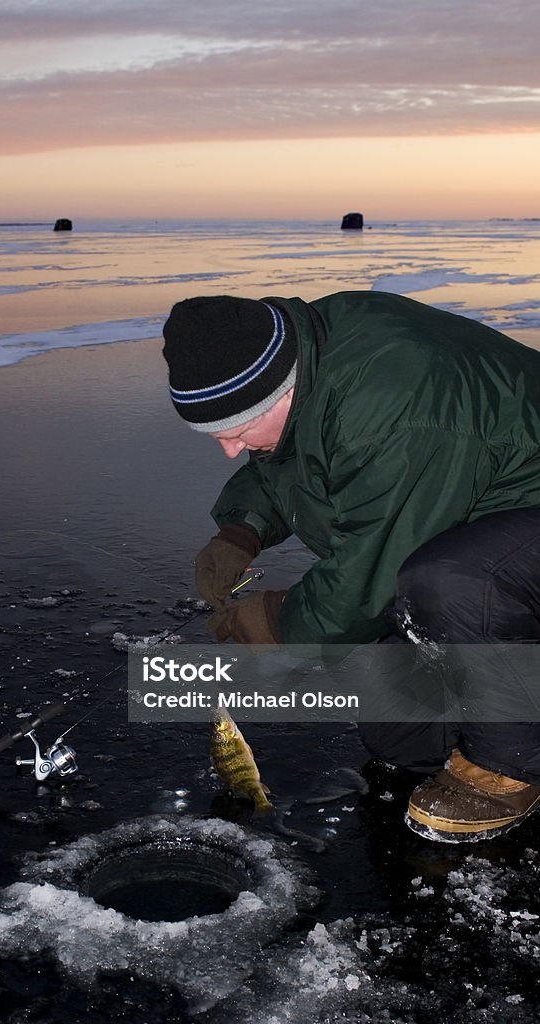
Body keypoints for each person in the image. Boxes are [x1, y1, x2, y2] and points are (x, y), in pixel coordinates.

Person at [161, 291, 540, 843]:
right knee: (401, 734)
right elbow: (290, 450)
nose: (230, 450)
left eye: (236, 431)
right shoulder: (297, 353)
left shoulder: (398, 407)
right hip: (488, 516)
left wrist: (276, 623)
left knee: (447, 583)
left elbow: (374, 565)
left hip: (515, 531)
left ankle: (514, 768)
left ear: (281, 388)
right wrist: (242, 528)